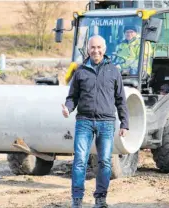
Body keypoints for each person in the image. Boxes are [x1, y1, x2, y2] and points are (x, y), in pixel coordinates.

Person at [61, 35, 129, 208]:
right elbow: (72, 97)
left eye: (99, 47)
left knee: (105, 162)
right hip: (84, 121)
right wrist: (68, 108)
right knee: (80, 161)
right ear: (88, 49)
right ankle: (77, 200)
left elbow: (121, 99)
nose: (96, 50)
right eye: (93, 47)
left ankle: (100, 199)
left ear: (104, 49)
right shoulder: (80, 71)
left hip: (106, 123)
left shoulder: (113, 71)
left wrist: (124, 123)